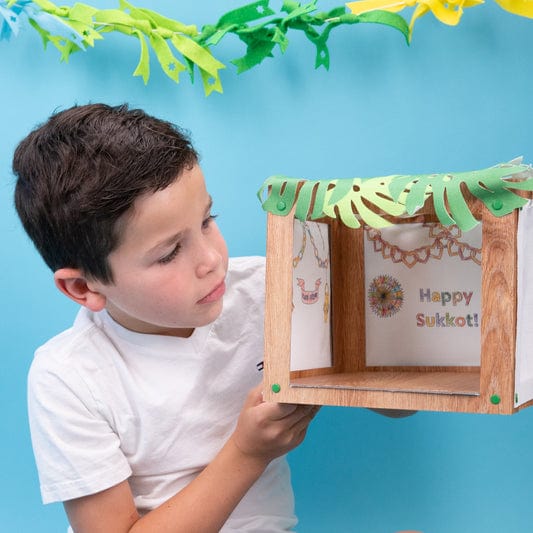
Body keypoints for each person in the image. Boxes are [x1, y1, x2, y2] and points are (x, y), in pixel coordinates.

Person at [13, 103, 319, 532]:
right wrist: (247, 453)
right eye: (169, 253)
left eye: (207, 220)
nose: (211, 260)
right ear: (83, 288)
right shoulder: (68, 377)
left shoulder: (271, 292)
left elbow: (394, 406)